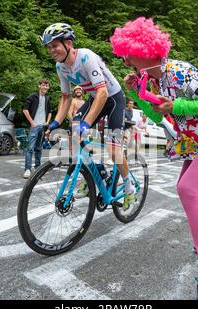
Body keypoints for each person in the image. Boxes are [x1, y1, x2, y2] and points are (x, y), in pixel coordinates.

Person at [111, 17, 198, 300]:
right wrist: (139, 92)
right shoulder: (153, 80)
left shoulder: (179, 71)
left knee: (187, 189)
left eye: (128, 56)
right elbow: (156, 116)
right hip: (197, 137)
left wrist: (179, 104)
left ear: (146, 52)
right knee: (189, 187)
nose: (125, 63)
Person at [40, 23, 135, 210]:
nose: (51, 51)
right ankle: (97, 173)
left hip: (113, 98)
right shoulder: (61, 67)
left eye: (55, 46)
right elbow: (66, 97)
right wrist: (56, 122)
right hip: (95, 99)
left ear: (68, 43)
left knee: (113, 148)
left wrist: (86, 123)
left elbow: (103, 93)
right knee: (73, 133)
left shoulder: (85, 57)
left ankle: (129, 188)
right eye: (49, 47)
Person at [22, 79, 52, 179]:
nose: (45, 87)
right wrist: (32, 122)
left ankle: (38, 168)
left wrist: (47, 122)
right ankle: (27, 169)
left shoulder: (47, 98)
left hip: (42, 126)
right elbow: (25, 110)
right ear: (39, 86)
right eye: (43, 85)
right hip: (34, 126)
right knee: (30, 148)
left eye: (47, 85)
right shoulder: (32, 96)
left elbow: (50, 111)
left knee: (39, 148)